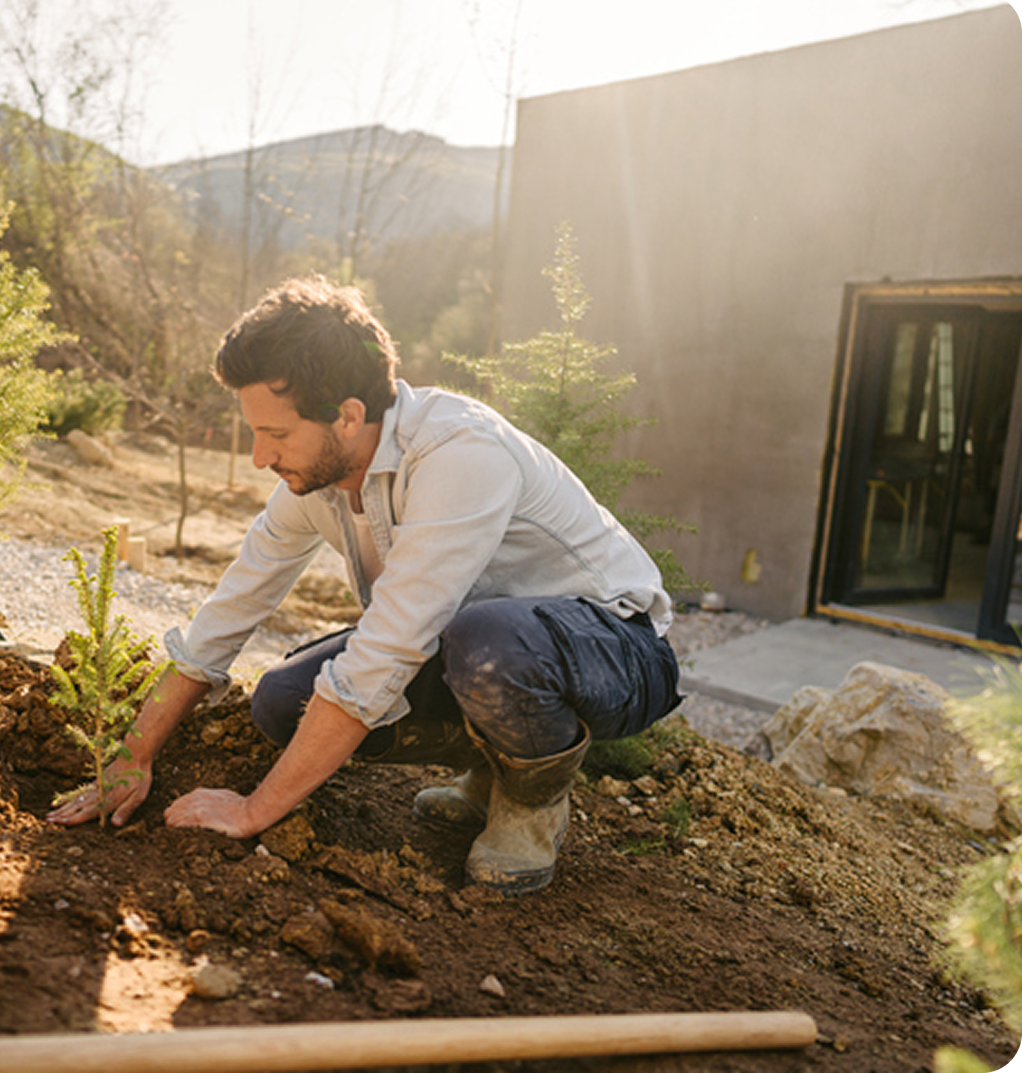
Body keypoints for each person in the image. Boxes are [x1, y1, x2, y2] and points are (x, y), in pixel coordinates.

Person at [49, 275, 682, 896]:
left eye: (275, 434)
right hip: (471, 644)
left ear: (349, 416)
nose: (259, 458)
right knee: (281, 702)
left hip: (614, 649)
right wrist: (133, 754)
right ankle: (488, 768)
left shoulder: (459, 452)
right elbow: (228, 614)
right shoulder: (315, 481)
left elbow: (388, 650)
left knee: (487, 642)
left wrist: (253, 809)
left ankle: (531, 802)